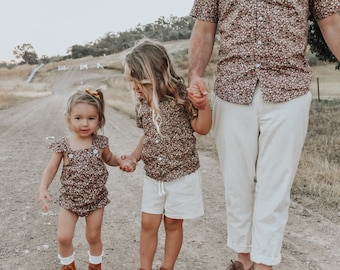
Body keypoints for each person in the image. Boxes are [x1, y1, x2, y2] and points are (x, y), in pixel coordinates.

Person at [188, 1, 340, 270]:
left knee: (276, 185)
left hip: (289, 88)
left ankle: (264, 264)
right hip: (233, 87)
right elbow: (204, 28)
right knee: (236, 182)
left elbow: (331, 22)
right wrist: (195, 74)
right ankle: (243, 260)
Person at [121, 38, 212, 270]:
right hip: (154, 176)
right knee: (148, 223)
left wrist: (203, 107)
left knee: (173, 222)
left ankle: (167, 267)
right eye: (131, 82)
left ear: (156, 75)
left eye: (138, 82)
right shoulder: (143, 103)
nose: (134, 88)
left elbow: (202, 128)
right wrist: (133, 157)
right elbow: (148, 135)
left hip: (182, 173)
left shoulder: (181, 96)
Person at [38, 88, 136, 270]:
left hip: (95, 199)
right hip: (70, 199)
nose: (85, 123)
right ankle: (68, 266)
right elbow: (51, 168)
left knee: (93, 236)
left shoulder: (100, 143)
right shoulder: (63, 145)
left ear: (99, 120)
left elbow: (109, 158)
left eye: (91, 118)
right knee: (63, 237)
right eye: (78, 118)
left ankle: (95, 265)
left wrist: (121, 161)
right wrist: (43, 188)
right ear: (69, 118)